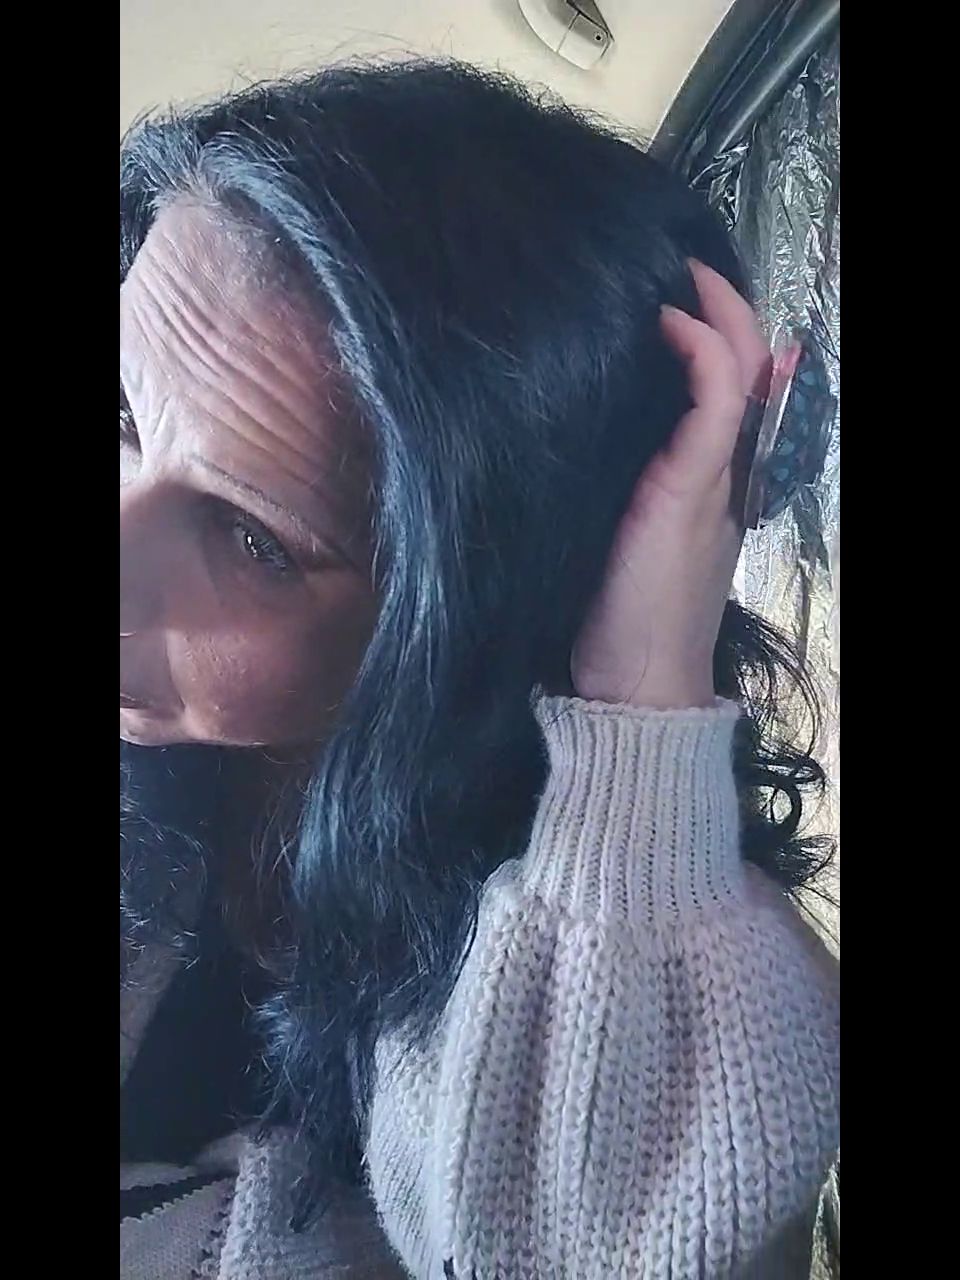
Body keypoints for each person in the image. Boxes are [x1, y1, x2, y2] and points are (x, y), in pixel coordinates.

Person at [120, 61, 840, 1279]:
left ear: (466, 623)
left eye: (253, 540)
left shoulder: (705, 1000)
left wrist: (638, 691)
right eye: (120, 419)